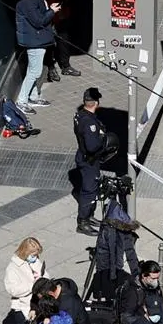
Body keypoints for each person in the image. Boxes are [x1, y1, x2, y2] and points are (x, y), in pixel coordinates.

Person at [73, 89, 112, 235]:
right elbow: (92, 146)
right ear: (96, 103)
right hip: (89, 160)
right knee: (89, 192)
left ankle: (89, 216)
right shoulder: (90, 122)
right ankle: (83, 222)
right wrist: (103, 140)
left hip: (83, 156)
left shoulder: (80, 115)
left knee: (90, 189)